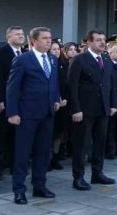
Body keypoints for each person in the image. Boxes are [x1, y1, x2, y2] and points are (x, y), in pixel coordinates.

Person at [6, 27, 61, 204]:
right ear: (33, 41)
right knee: (22, 154)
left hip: (47, 113)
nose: (48, 41)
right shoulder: (22, 60)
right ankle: (19, 190)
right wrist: (12, 112)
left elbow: (53, 82)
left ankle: (39, 186)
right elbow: (12, 88)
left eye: (50, 38)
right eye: (44, 38)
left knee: (43, 152)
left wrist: (56, 98)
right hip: (27, 114)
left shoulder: (52, 59)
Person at [68, 29, 117, 191]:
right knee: (82, 144)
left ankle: (97, 173)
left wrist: (113, 104)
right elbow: (72, 87)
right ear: (89, 42)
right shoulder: (79, 60)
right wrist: (75, 109)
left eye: (103, 40)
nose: (102, 43)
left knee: (100, 142)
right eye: (98, 40)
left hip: (103, 108)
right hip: (84, 110)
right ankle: (78, 177)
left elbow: (110, 85)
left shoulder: (106, 59)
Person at [0, 25, 25, 181]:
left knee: (16, 136)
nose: (21, 36)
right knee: (0, 135)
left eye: (22, 34)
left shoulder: (26, 54)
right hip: (4, 101)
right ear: (8, 37)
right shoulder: (0, 53)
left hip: (22, 103)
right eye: (17, 34)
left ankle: (13, 166)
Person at [50, 42, 76, 170]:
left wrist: (64, 98)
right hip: (49, 103)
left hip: (63, 104)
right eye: (53, 49)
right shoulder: (48, 64)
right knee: (49, 133)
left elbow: (67, 83)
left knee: (59, 132)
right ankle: (47, 158)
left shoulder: (64, 64)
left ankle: (55, 157)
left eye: (57, 49)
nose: (56, 51)